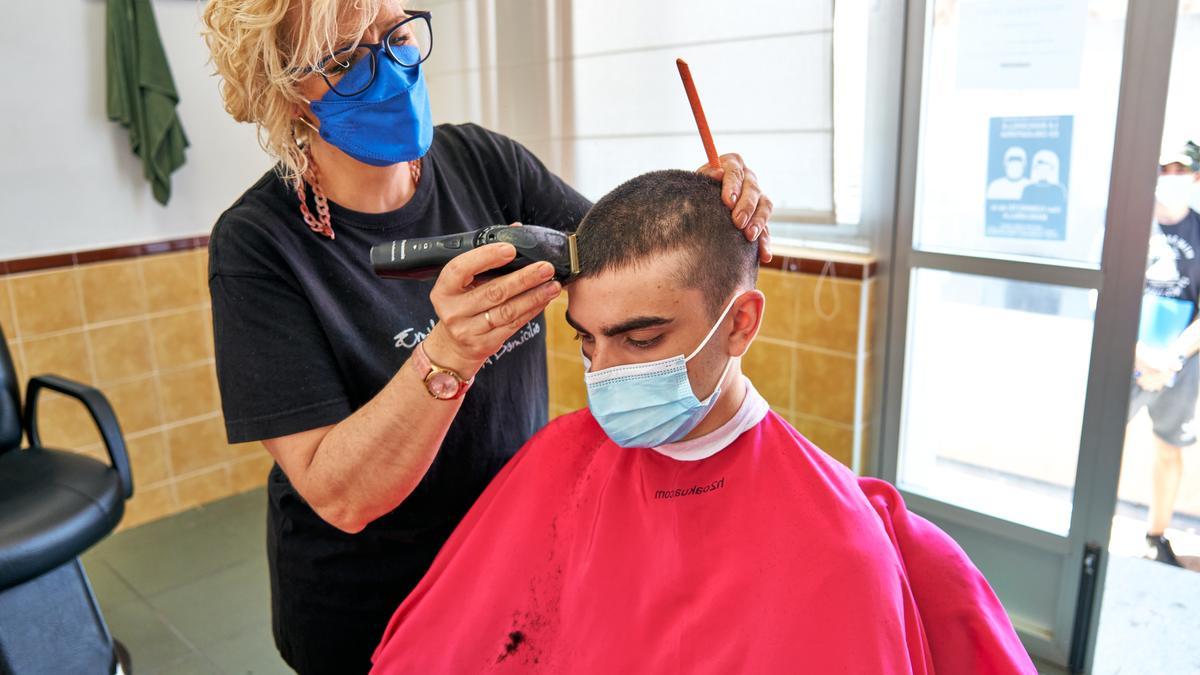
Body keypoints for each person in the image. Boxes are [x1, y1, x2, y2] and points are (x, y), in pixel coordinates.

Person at [199, 2, 775, 672]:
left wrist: (704, 215)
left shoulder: (484, 162)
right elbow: (340, 494)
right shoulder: (258, 247)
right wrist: (448, 354)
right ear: (289, 93)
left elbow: (624, 267)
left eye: (398, 34)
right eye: (351, 60)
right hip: (367, 600)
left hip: (513, 553)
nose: (394, 68)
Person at [370, 170, 1036, 674]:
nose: (603, 373)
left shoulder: (838, 541)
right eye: (588, 340)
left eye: (642, 338)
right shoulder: (558, 461)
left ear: (741, 322)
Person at [1127, 143, 1200, 567]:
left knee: (1169, 448)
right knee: (1103, 444)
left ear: (1193, 177)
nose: (1170, 175)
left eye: (1179, 169)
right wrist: (1138, 355)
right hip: (1124, 355)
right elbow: (1103, 296)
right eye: (1163, 167)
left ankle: (1157, 535)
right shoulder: (1128, 224)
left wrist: (1170, 359)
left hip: (1180, 363)